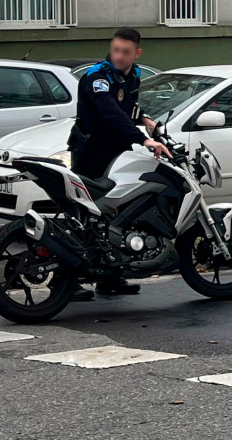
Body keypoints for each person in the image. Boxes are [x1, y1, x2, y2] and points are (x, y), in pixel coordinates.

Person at [68, 27, 171, 299]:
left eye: (126, 52)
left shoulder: (134, 74)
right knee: (83, 215)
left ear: (137, 53)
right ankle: (67, 282)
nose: (119, 56)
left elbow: (127, 107)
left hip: (118, 152)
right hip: (91, 152)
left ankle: (110, 277)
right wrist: (143, 139)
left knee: (115, 214)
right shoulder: (96, 77)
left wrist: (145, 120)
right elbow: (110, 112)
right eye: (116, 49)